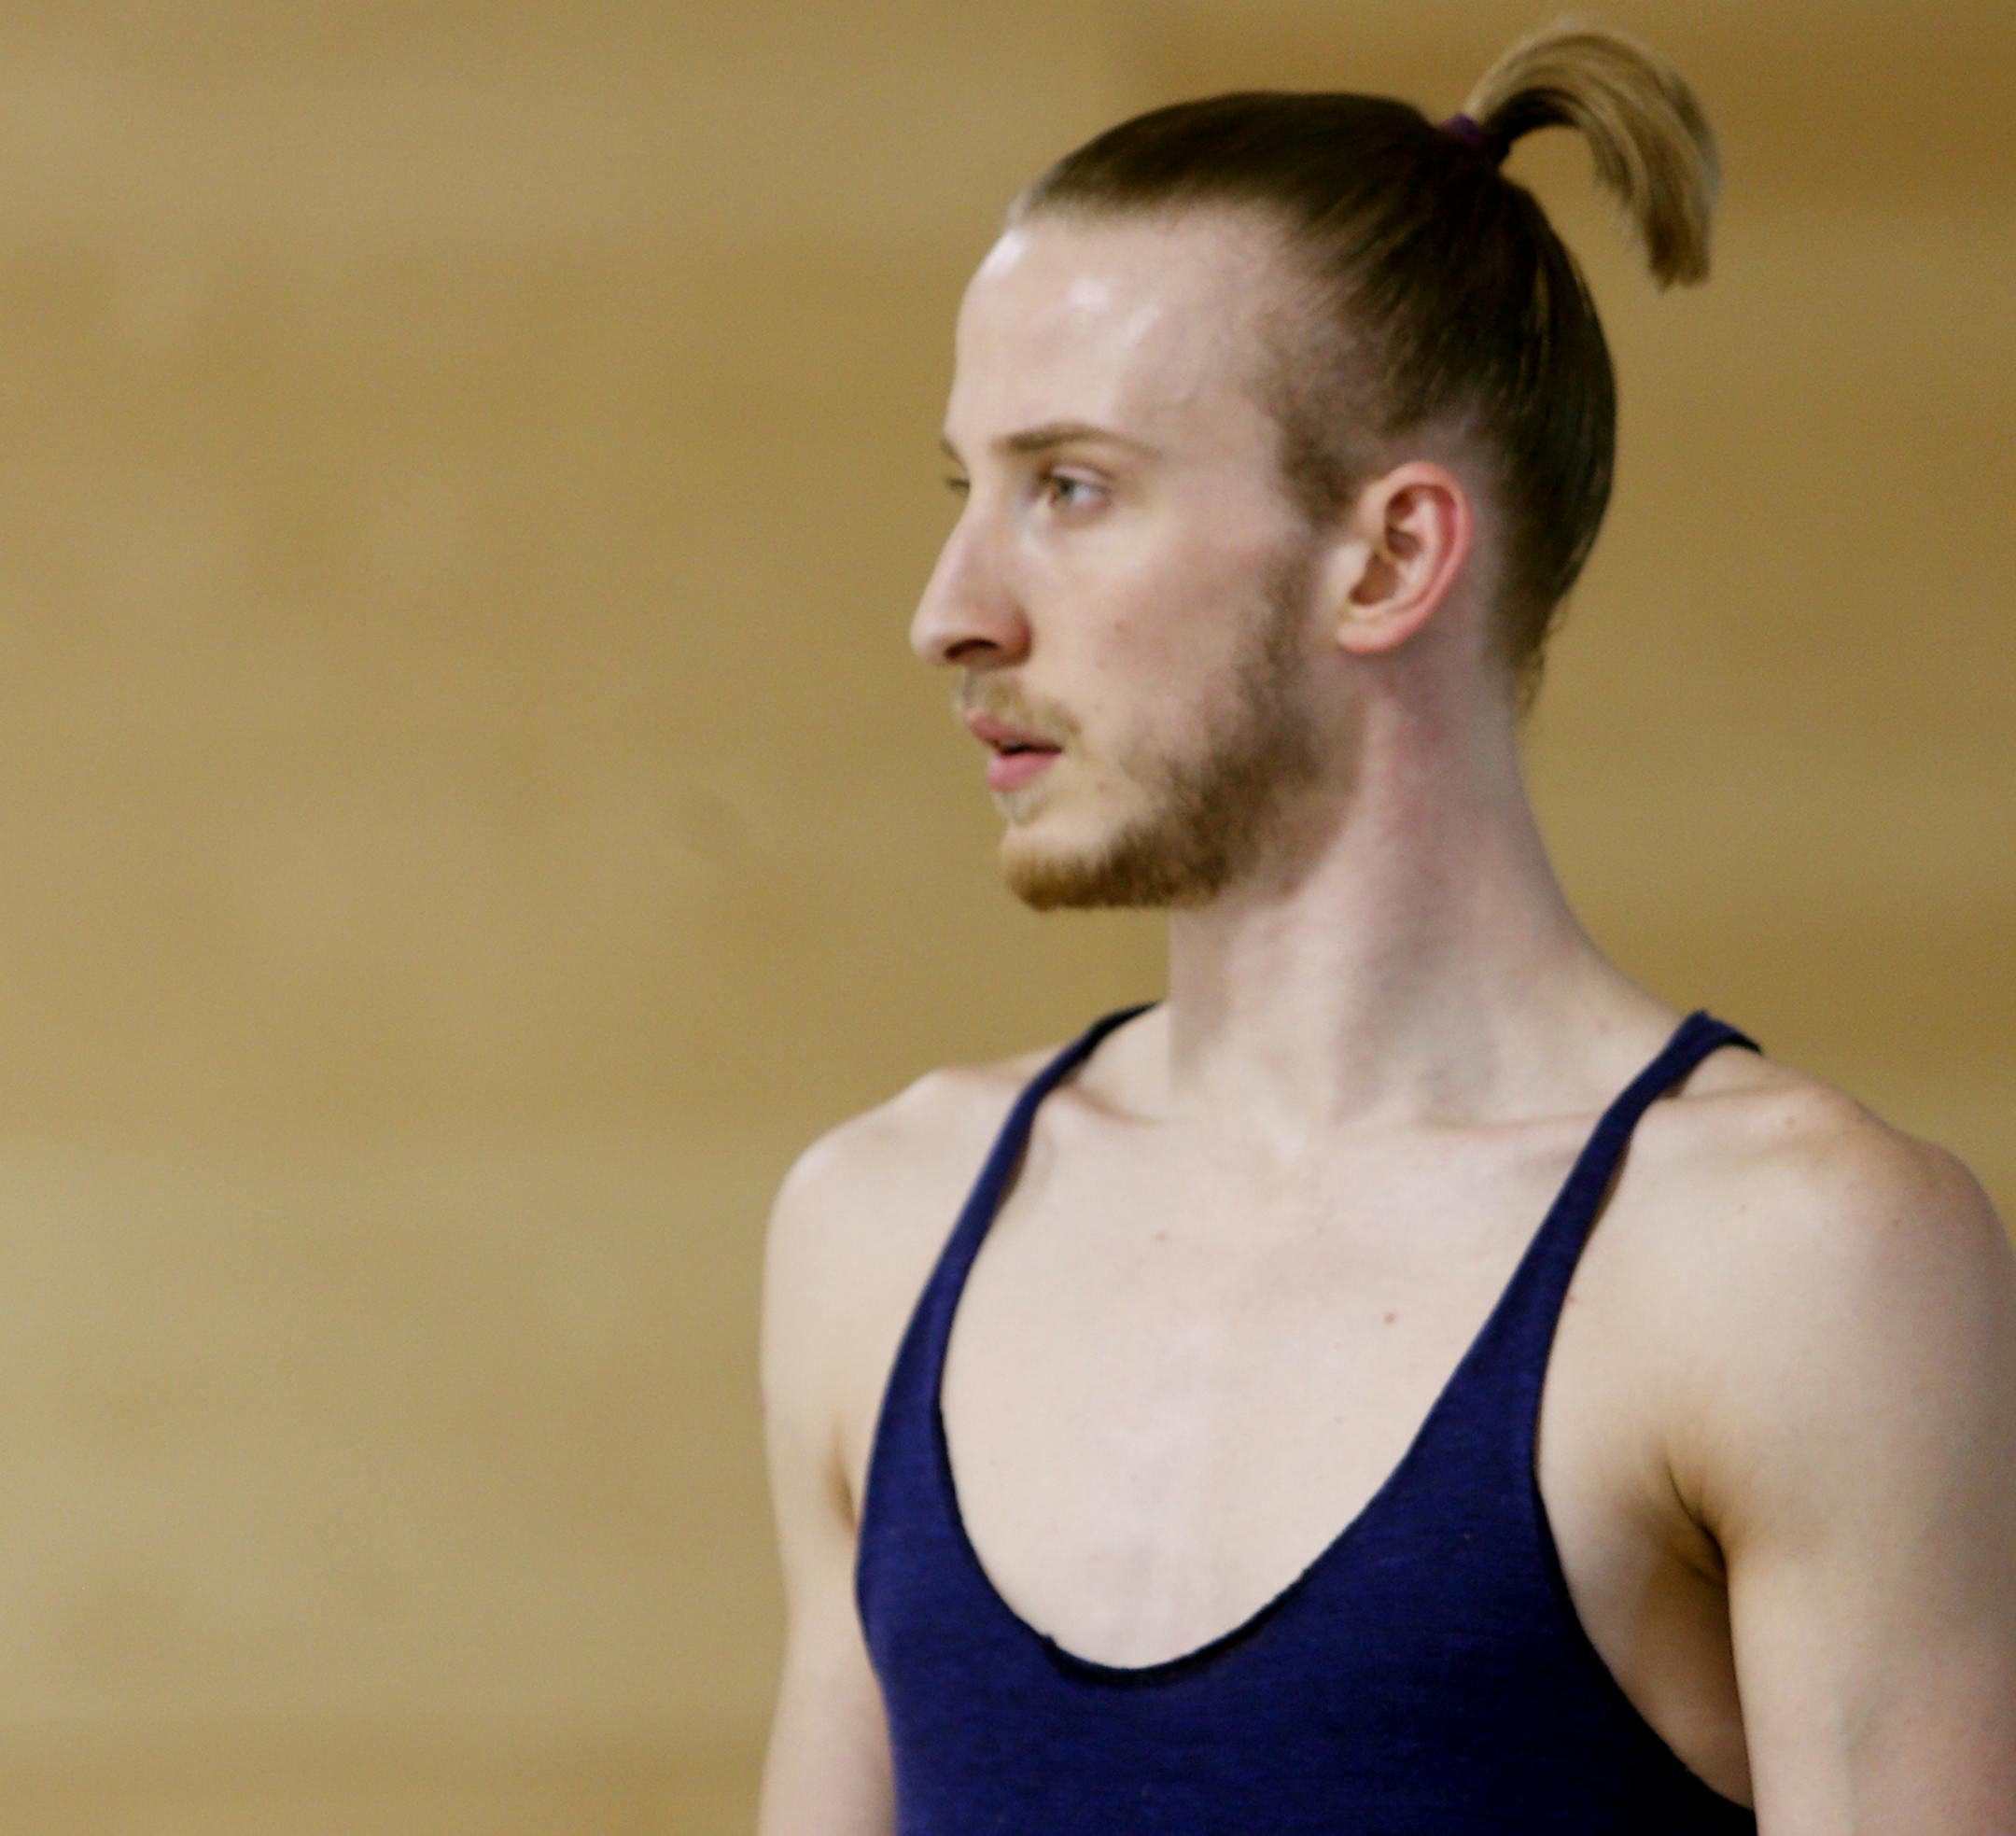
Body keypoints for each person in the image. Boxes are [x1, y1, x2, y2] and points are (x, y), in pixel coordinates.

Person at [756, 20, 2016, 1834]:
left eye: (1073, 488)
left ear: (1390, 558)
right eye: (967, 490)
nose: (952, 611)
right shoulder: (876, 1228)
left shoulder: (1789, 1266)